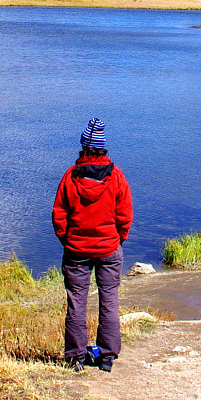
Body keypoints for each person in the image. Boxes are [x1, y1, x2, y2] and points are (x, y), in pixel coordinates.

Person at [51, 117, 133, 372]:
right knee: (109, 300)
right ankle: (107, 357)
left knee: (77, 301)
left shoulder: (70, 176)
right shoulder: (116, 176)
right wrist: (118, 239)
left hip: (76, 250)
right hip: (109, 248)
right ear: (102, 148)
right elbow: (125, 216)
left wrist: (68, 240)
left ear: (84, 148)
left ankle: (75, 357)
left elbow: (59, 215)